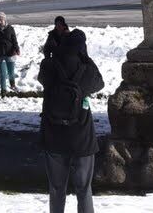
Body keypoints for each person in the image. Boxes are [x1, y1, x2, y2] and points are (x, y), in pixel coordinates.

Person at [38, 27, 104, 213]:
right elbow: (100, 83)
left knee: (56, 188)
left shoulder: (49, 66)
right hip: (81, 138)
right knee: (84, 189)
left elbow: (42, 78)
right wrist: (86, 58)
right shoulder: (86, 69)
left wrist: (52, 53)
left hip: (53, 136)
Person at [0, 11, 20, 96]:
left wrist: (17, 49)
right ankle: (3, 92)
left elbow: (14, 40)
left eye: (1, 19)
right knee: (2, 74)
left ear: (4, 19)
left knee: (11, 73)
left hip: (10, 53)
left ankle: (12, 85)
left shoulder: (10, 28)